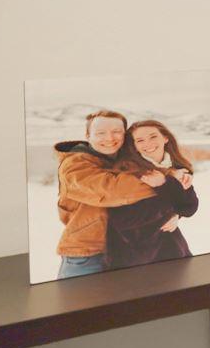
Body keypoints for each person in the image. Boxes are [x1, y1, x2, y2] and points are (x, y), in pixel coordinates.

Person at [52, 110, 160, 279]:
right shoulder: (74, 164)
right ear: (88, 136)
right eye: (101, 133)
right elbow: (112, 191)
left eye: (116, 132)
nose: (109, 138)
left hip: (125, 250)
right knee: (79, 303)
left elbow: (164, 195)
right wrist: (164, 181)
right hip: (88, 253)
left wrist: (175, 213)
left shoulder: (124, 160)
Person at [105, 119, 198, 268]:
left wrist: (176, 214)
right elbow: (122, 219)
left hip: (172, 249)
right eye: (140, 140)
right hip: (136, 255)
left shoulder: (175, 168)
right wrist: (167, 193)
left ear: (165, 138)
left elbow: (189, 207)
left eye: (153, 137)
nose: (147, 144)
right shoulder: (128, 171)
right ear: (134, 146)